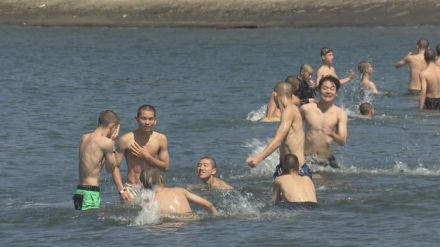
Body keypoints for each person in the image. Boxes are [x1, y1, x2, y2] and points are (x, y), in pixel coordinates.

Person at [247, 82, 312, 178]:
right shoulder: (291, 110)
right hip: (285, 169)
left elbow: (277, 141)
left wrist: (258, 159)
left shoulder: (289, 110)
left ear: (274, 95)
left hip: (296, 171)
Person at [113, 104, 170, 201]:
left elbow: (165, 167)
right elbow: (114, 166)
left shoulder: (161, 139)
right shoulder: (126, 139)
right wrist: (121, 190)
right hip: (132, 188)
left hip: (155, 188)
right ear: (137, 119)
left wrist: (147, 157)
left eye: (150, 119)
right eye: (144, 118)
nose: (147, 122)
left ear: (155, 120)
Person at [73, 110, 123, 210]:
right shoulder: (106, 142)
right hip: (91, 192)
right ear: (113, 126)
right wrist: (112, 143)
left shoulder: (84, 137)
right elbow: (110, 168)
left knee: (80, 223)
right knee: (90, 224)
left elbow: (95, 163)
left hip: (79, 191)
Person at [301, 75, 348, 168]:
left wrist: (332, 133)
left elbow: (342, 141)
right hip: (308, 159)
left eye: (332, 89)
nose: (328, 92)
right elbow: (293, 130)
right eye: (325, 88)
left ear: (336, 92)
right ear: (318, 90)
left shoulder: (340, 113)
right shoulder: (306, 109)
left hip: (327, 161)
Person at [140, 168, 218, 215]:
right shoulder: (180, 191)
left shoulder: (149, 200)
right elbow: (209, 205)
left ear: (143, 186)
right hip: (190, 224)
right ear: (161, 179)